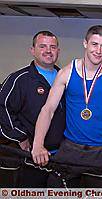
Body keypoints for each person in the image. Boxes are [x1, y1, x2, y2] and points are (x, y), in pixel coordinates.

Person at [31, 25, 102, 187]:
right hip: (71, 149)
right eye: (94, 44)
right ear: (85, 43)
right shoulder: (67, 72)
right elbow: (48, 109)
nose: (98, 51)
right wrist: (38, 144)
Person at [0, 31, 65, 187]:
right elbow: (3, 109)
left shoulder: (66, 77)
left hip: (62, 155)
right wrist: (20, 137)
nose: (48, 51)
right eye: (42, 46)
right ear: (32, 50)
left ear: (58, 51)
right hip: (31, 157)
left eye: (53, 47)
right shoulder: (19, 79)